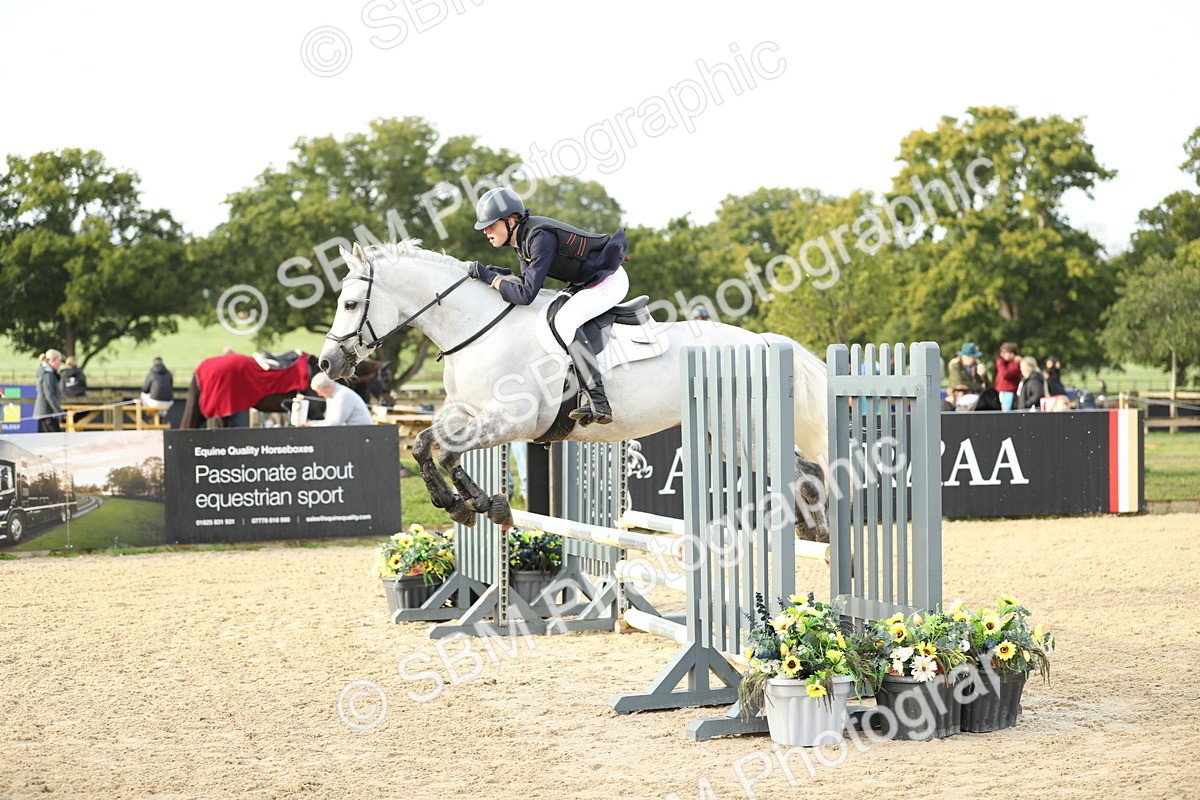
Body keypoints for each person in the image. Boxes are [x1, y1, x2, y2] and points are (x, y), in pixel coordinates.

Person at [467, 187, 629, 426]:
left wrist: (491, 279)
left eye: (491, 225)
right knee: (552, 315)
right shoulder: (522, 239)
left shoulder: (539, 237)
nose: (487, 232)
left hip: (609, 278)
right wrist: (497, 275)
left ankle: (599, 402)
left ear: (511, 220)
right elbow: (526, 282)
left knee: (565, 320)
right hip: (587, 282)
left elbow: (525, 296)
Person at [307, 373, 374, 426]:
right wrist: (312, 423)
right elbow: (329, 421)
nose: (319, 395)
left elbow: (336, 423)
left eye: (320, 391)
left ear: (328, 387)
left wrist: (313, 425)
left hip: (362, 434)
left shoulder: (343, 395)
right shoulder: (331, 396)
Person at [34, 350, 64, 433]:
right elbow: (49, 395)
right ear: (52, 360)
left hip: (46, 412)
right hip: (47, 412)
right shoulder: (47, 374)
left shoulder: (46, 372)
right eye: (59, 361)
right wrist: (59, 411)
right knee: (55, 440)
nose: (60, 363)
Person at [993, 342, 1022, 411]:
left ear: (1012, 354)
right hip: (1001, 392)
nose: (1001, 355)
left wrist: (1000, 362)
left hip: (1008, 392)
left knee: (1005, 412)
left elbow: (1005, 374)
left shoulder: (1015, 364)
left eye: (1004, 353)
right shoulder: (1006, 363)